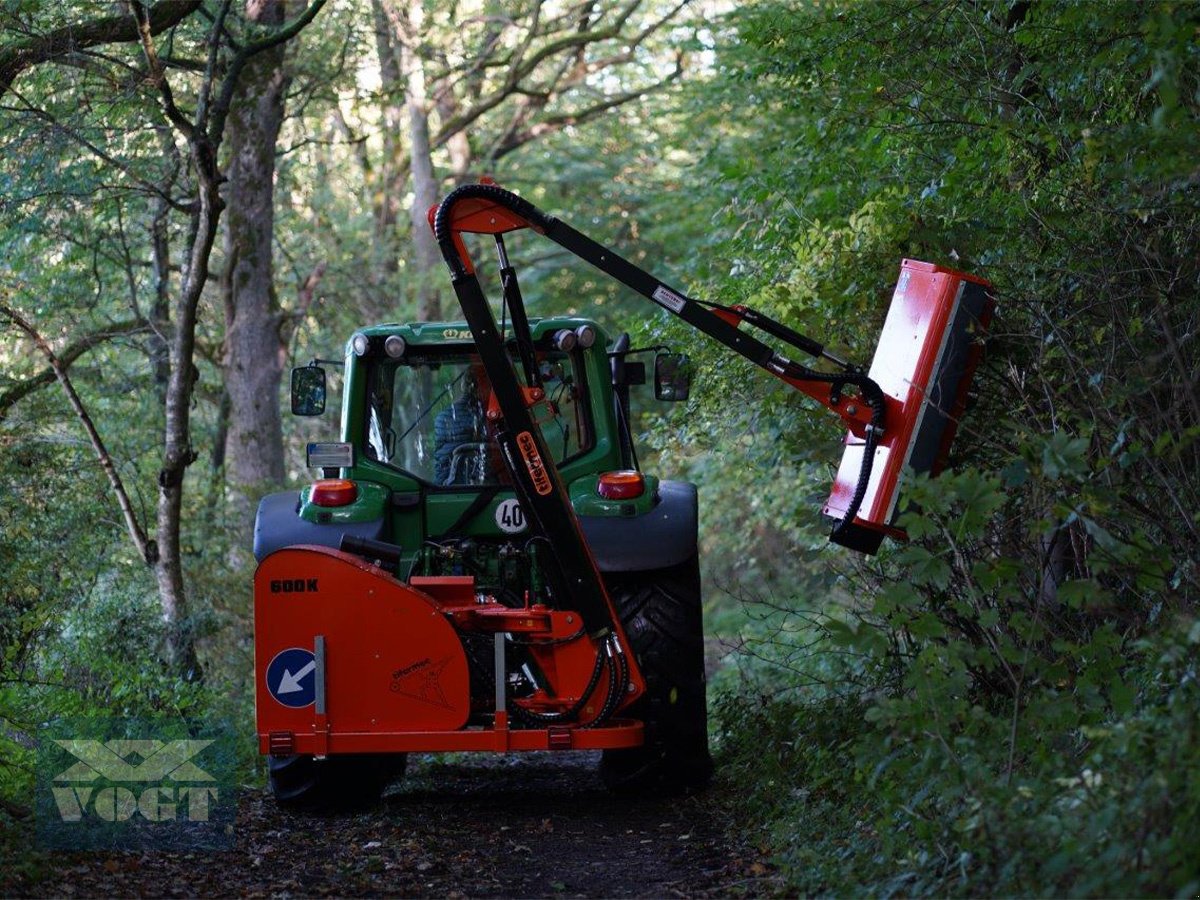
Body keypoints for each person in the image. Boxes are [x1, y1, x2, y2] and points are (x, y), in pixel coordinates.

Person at [433, 367, 490, 484]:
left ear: (463, 386)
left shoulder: (443, 416)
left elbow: (442, 462)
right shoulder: (491, 415)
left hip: (452, 487)